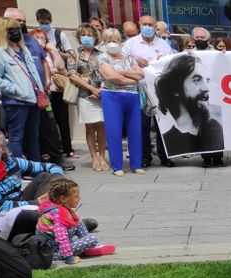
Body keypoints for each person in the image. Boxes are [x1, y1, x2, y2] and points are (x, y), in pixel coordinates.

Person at [0, 126, 63, 232]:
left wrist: (58, 181)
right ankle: (51, 222)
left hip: (17, 205)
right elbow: (1, 208)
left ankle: (51, 217)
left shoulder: (11, 162)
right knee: (38, 214)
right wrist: (36, 203)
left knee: (46, 177)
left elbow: (52, 167)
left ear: (2, 149)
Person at [0, 17, 43, 162]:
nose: (16, 32)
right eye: (11, 30)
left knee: (33, 136)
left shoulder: (23, 49)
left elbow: (33, 72)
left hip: (33, 98)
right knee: (17, 136)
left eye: (17, 29)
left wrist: (41, 90)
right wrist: (16, 90)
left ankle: (35, 167)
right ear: (2, 32)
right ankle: (17, 169)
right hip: (16, 101)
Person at [123, 15, 174, 167]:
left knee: (163, 124)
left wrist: (161, 61)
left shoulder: (164, 45)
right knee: (142, 125)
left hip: (160, 89)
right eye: (144, 24)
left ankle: (165, 156)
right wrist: (134, 61)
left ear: (154, 26)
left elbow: (171, 65)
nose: (147, 27)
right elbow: (121, 63)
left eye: (150, 24)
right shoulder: (130, 44)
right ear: (139, 25)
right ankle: (145, 157)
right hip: (139, 89)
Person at [156, 54, 225, 160]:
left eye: (207, 80)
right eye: (197, 80)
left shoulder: (215, 128)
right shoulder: (168, 139)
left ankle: (213, 158)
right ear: (175, 89)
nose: (206, 88)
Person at [97, 27, 144, 176]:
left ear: (120, 42)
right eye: (109, 40)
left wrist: (123, 72)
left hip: (132, 98)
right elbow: (111, 77)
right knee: (114, 131)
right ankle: (117, 166)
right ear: (104, 42)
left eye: (115, 40)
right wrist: (131, 79)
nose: (112, 43)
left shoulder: (129, 59)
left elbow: (141, 75)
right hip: (112, 97)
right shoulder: (103, 58)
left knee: (135, 131)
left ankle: (136, 164)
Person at [36, 178, 114, 264]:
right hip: (53, 250)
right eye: (76, 196)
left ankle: (90, 247)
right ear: (63, 198)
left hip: (56, 244)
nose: (79, 198)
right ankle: (63, 254)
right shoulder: (58, 214)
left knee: (78, 222)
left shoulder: (61, 208)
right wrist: (70, 258)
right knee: (92, 239)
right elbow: (61, 238)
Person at [68, 24, 107, 172]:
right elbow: (71, 74)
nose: (86, 37)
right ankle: (94, 158)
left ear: (95, 37)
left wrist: (100, 90)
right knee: (90, 127)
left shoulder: (101, 54)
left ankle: (102, 157)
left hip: (101, 94)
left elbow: (106, 73)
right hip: (84, 95)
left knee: (102, 127)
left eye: (89, 35)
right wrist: (91, 88)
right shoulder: (74, 54)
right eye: (83, 34)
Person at [31, 28, 72, 163]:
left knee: (61, 121)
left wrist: (53, 50)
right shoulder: (32, 53)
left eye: (43, 38)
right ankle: (45, 152)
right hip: (42, 93)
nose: (41, 40)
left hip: (57, 90)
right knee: (46, 122)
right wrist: (52, 70)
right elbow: (40, 70)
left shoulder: (49, 52)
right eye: (37, 37)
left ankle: (65, 149)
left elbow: (61, 68)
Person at [190, 27, 225, 167]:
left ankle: (218, 156)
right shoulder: (190, 54)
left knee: (217, 124)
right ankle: (206, 157)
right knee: (202, 124)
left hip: (215, 93)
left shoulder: (216, 54)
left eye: (202, 38)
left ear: (208, 39)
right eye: (196, 38)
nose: (199, 40)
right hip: (199, 96)